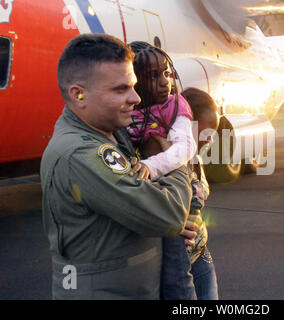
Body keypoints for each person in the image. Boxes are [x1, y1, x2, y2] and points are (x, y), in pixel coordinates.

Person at [40, 33, 195, 300]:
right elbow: (168, 215)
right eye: (120, 89)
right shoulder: (81, 154)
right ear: (79, 95)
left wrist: (157, 209)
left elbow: (142, 202)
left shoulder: (110, 132)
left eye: (133, 86)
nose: (136, 98)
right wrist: (176, 161)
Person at [126, 42, 219, 300]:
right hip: (159, 252)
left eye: (166, 74)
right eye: (153, 76)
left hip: (196, 253)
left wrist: (193, 219)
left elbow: (197, 196)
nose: (164, 81)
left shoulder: (181, 136)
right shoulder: (128, 121)